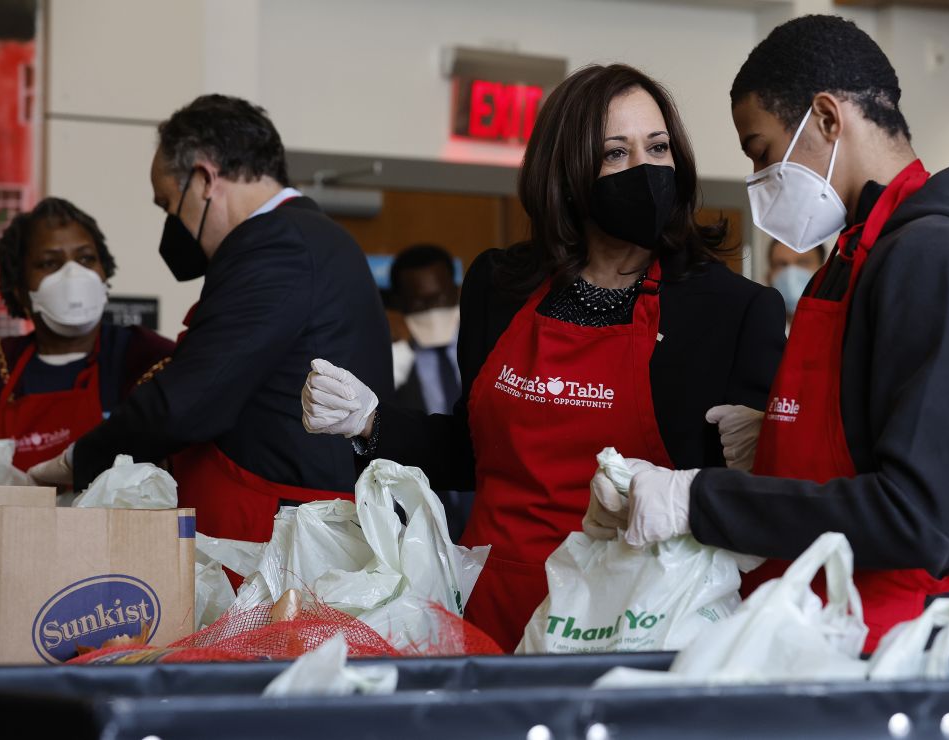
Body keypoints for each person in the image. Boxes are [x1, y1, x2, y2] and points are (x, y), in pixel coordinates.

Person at [587, 15, 949, 658]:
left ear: (827, 118)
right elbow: (861, 441)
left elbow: (913, 516)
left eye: (762, 152)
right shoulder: (857, 255)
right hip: (816, 627)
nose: (760, 178)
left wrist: (702, 498)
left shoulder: (939, 256)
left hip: (891, 644)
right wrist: (773, 440)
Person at [301, 64, 786, 650]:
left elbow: (756, 500)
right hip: (493, 609)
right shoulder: (500, 285)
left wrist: (764, 450)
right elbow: (473, 451)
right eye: (615, 153)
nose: (646, 169)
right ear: (568, 171)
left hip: (636, 620)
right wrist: (370, 422)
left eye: (658, 147)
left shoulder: (730, 311)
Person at [29, 94, 393, 543]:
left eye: (167, 204)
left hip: (282, 535)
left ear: (203, 179)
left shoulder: (278, 244)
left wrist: (79, 459)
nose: (170, 222)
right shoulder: (307, 236)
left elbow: (191, 399)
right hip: (283, 516)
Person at [0, 197, 175, 470]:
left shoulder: (146, 359)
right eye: (49, 263)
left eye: (86, 258)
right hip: (15, 514)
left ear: (104, 272)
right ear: (20, 291)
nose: (73, 274)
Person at [388, 243, 471, 540]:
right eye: (421, 305)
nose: (434, 312)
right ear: (401, 304)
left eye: (441, 298)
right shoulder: (392, 361)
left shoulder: (484, 349)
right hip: (422, 519)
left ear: (457, 290)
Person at [765, 238, 826, 331]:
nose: (791, 275)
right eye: (781, 265)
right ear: (769, 277)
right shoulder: (756, 332)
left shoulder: (845, 331)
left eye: (803, 262)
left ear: (825, 272)